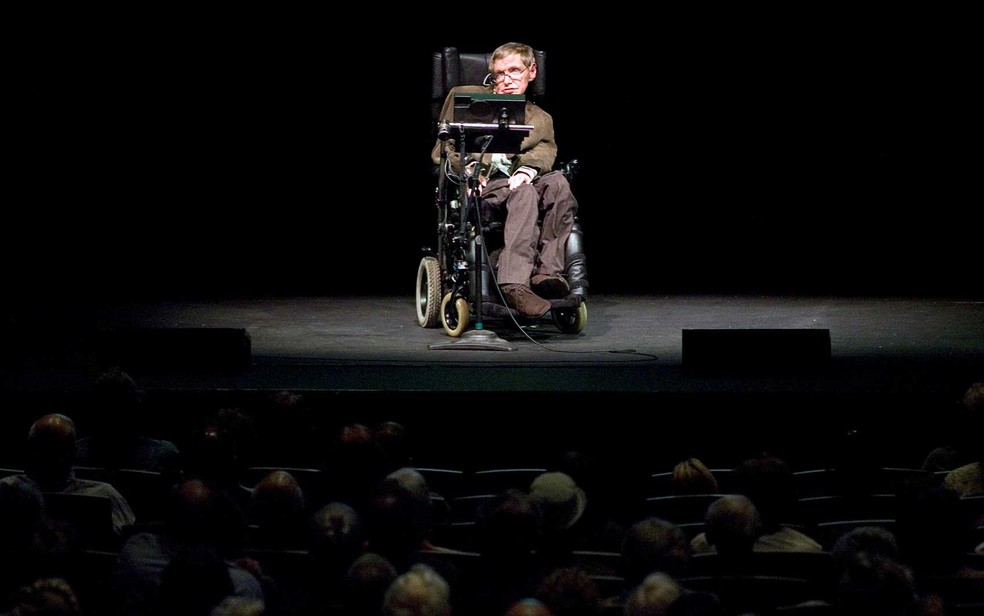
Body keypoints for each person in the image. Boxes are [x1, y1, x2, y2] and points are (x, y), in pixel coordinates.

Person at [431, 41, 579, 318]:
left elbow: (545, 150)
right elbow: (445, 146)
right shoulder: (465, 98)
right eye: (500, 73)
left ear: (531, 72)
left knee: (559, 183)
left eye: (514, 71)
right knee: (525, 193)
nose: (507, 79)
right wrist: (469, 170)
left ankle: (547, 274)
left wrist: (527, 170)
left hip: (521, 180)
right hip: (487, 185)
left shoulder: (541, 117)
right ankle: (514, 284)